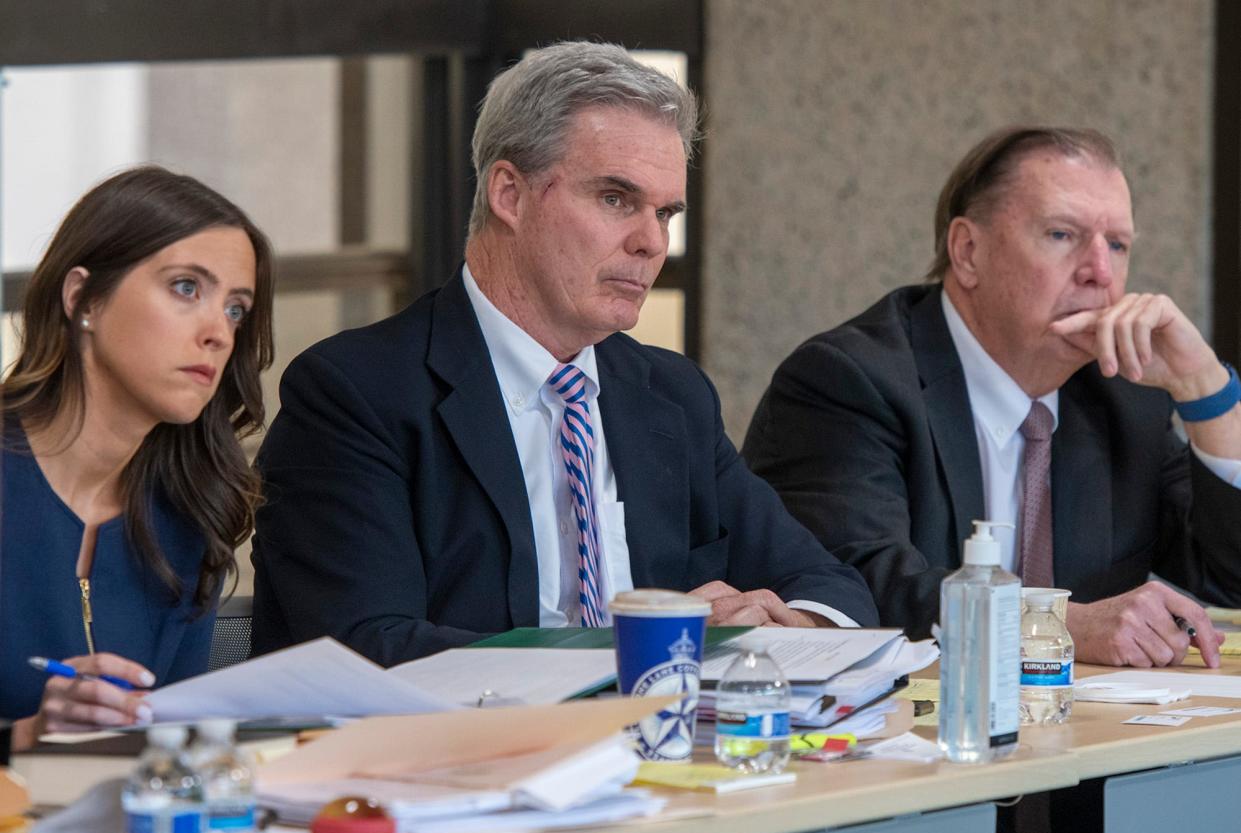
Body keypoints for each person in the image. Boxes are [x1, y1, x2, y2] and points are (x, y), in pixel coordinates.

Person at [251, 41, 879, 666]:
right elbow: (366, 646)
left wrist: (786, 622)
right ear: (509, 193)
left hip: (664, 754)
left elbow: (831, 586)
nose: (651, 242)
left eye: (665, 213)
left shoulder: (671, 392)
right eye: (616, 200)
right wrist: (632, 651)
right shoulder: (357, 391)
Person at [744, 126, 1241, 668]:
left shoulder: (1125, 395)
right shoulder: (849, 380)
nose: (1100, 272)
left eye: (1117, 245)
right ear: (968, 251)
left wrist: (1204, 390)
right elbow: (854, 590)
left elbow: (1227, 582)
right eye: (1061, 234)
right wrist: (1056, 624)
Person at [0, 166, 274, 750]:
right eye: (185, 288)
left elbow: (167, 749)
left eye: (235, 309)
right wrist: (25, 736)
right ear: (83, 299)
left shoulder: (190, 517)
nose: (218, 333)